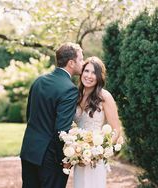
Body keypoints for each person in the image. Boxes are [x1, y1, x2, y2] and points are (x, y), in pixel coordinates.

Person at [20, 42, 84, 188]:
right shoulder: (70, 89)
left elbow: (29, 115)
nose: (83, 63)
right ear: (71, 63)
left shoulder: (39, 81)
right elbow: (61, 130)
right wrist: (65, 159)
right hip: (50, 158)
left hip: (29, 151)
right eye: (81, 59)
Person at [73, 56, 122, 188]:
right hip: (79, 156)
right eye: (86, 71)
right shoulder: (76, 96)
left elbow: (116, 130)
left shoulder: (104, 96)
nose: (89, 76)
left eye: (94, 73)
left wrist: (99, 151)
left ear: (99, 76)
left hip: (96, 157)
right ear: (81, 73)